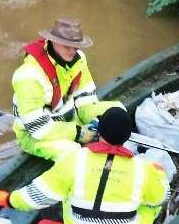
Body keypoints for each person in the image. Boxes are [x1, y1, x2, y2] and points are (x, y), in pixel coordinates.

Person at [0, 107, 170, 224]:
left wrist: (8, 200)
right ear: (127, 137)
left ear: (100, 132)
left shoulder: (74, 159)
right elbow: (163, 197)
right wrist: (159, 174)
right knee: (151, 206)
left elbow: (38, 195)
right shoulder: (144, 169)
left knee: (66, 194)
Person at [12, 18, 125, 161]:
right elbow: (38, 129)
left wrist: (99, 121)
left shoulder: (79, 59)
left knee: (118, 111)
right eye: (67, 46)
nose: (72, 51)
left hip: (71, 124)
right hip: (35, 136)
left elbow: (86, 100)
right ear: (53, 41)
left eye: (76, 46)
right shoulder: (28, 75)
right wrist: (79, 134)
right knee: (73, 153)